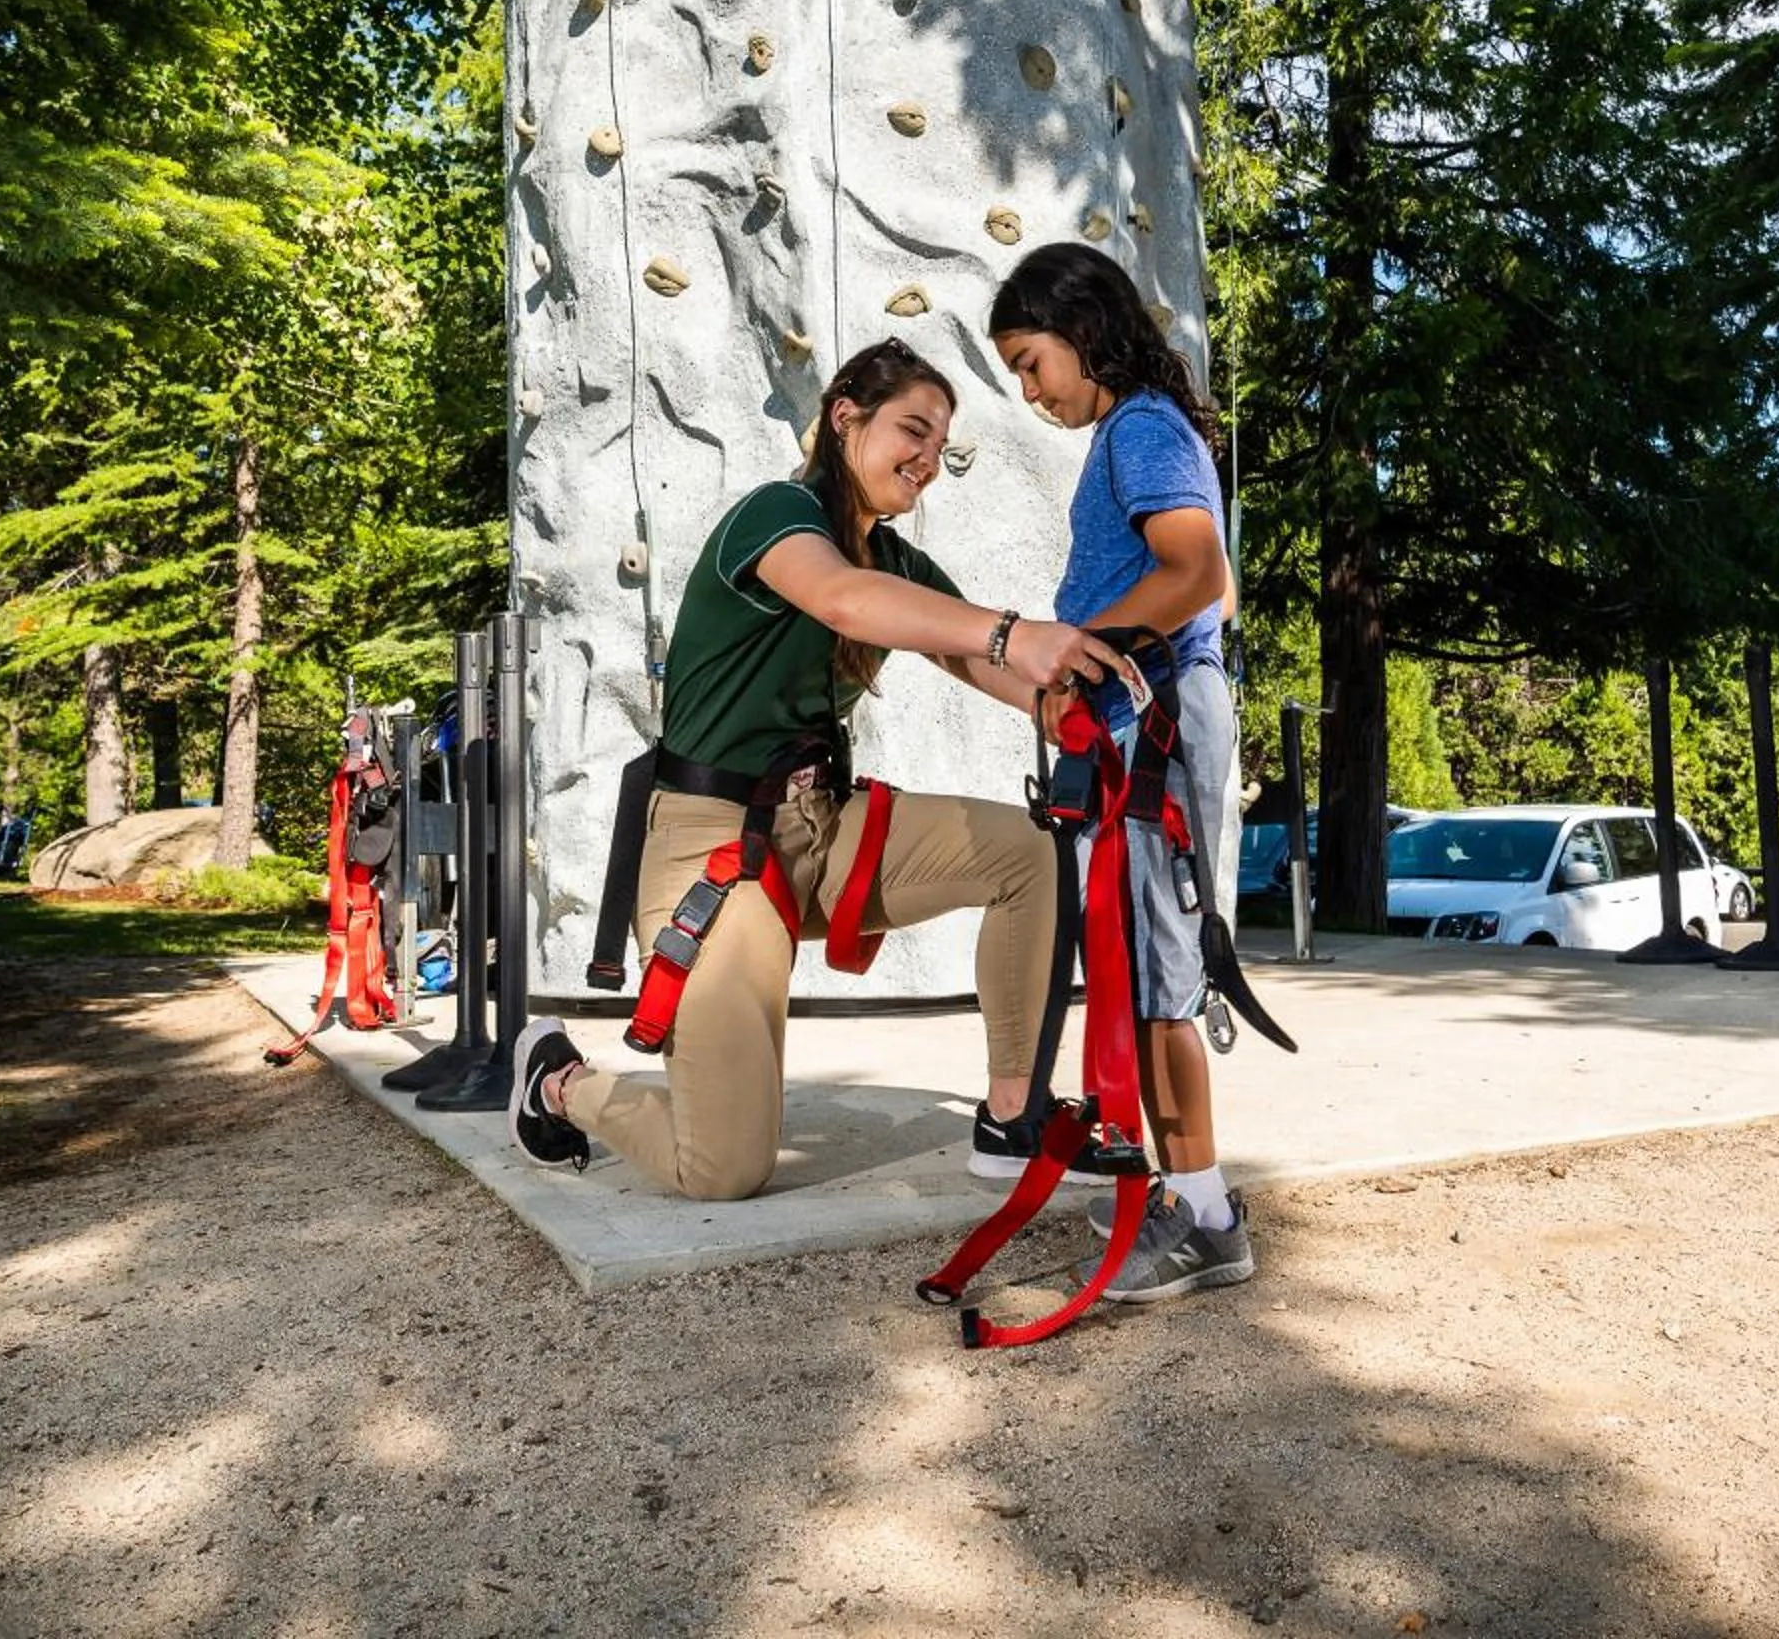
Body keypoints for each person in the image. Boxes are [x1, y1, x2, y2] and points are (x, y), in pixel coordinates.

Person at [513, 337, 1125, 1200]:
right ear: (846, 417)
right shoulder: (777, 516)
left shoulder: (892, 559)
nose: (928, 462)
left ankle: (1012, 1120)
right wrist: (1010, 631)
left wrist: (1071, 713)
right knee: (722, 1169)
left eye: (941, 448)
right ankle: (557, 1083)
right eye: (912, 430)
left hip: (824, 827)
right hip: (712, 850)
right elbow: (845, 600)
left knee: (1025, 854)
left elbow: (966, 654)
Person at [988, 242, 1254, 1301]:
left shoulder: (1141, 427)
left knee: (1156, 979)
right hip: (1140, 721)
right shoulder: (1134, 432)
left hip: (1155, 729)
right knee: (1138, 968)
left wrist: (1074, 641)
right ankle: (1186, 1192)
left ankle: (1207, 1215)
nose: (1027, 388)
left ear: (1084, 330)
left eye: (1030, 359)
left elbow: (1199, 573)